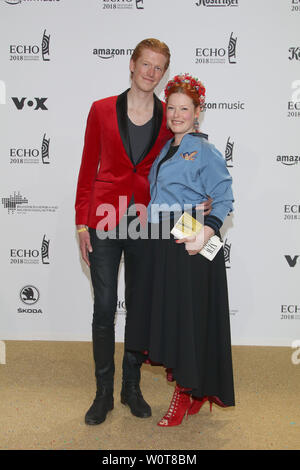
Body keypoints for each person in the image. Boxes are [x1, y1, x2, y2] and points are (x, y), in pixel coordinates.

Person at [75, 39, 213, 426]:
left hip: (146, 223)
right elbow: (88, 167)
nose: (151, 74)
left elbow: (177, 170)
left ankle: (130, 388)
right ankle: (103, 392)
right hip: (103, 220)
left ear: (164, 72)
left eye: (159, 68)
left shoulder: (166, 117)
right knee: (104, 309)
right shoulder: (101, 110)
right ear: (132, 64)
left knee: (139, 310)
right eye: (146, 65)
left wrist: (199, 202)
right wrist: (81, 222)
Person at [126, 73, 235, 427]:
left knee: (188, 322)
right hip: (165, 239)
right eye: (171, 107)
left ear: (197, 112)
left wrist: (207, 231)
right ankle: (191, 389)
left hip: (191, 240)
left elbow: (224, 197)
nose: (175, 114)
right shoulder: (165, 148)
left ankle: (185, 392)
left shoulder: (204, 149)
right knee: (176, 320)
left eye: (184, 109)